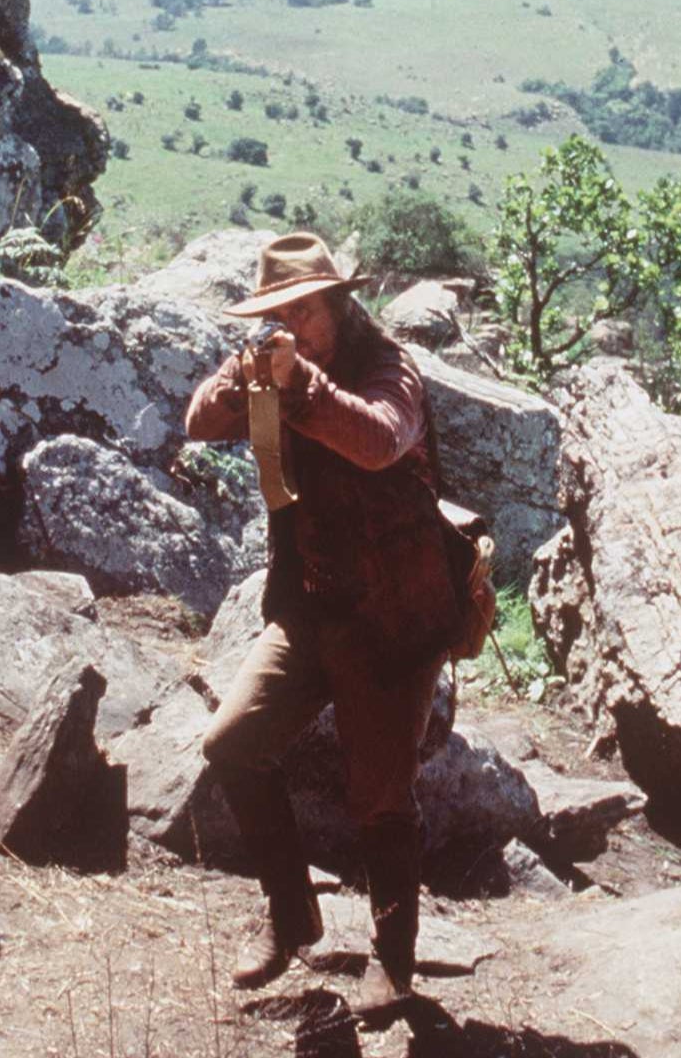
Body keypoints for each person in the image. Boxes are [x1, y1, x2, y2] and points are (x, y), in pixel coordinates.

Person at [185, 232, 457, 1014]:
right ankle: (291, 916)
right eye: (281, 314)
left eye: (305, 310)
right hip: (313, 603)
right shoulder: (277, 362)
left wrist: (298, 383)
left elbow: (377, 439)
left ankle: (394, 962)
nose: (294, 326)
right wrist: (245, 377)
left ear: (339, 304)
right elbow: (200, 420)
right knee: (234, 744)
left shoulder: (389, 366)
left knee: (380, 795)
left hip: (394, 615)